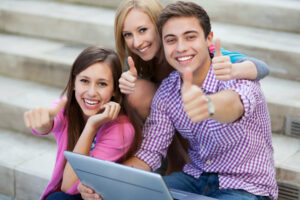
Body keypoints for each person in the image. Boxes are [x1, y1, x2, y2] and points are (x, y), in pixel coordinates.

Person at [127, 1, 276, 199]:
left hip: (246, 185)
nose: (181, 48)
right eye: (171, 40)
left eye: (190, 37)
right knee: (137, 194)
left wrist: (208, 105)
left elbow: (234, 104)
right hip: (194, 178)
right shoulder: (167, 91)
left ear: (208, 39)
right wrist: (108, 178)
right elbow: (150, 152)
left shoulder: (237, 73)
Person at [24, 47, 141, 200]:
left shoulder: (121, 129)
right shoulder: (67, 108)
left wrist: (91, 126)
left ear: (114, 90)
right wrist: (41, 123)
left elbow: (68, 185)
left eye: (102, 84)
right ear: (73, 83)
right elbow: (48, 123)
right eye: (84, 81)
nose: (91, 92)